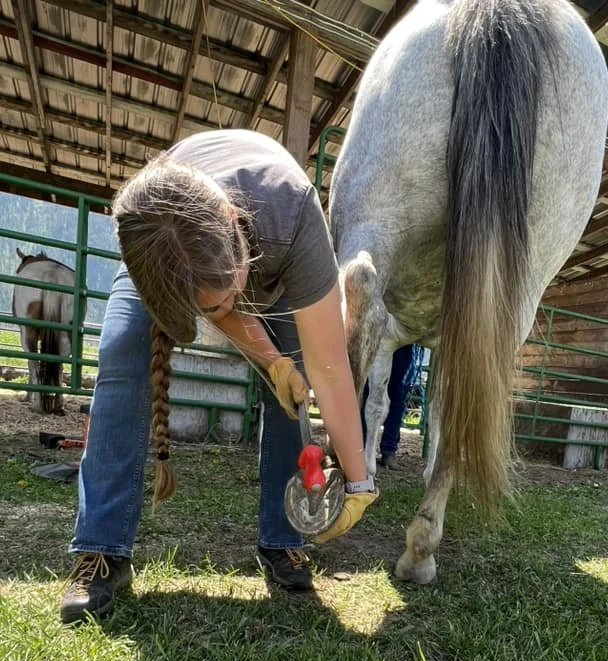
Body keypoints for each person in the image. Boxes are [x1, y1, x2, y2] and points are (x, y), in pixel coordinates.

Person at [60, 129, 378, 623]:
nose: (225, 310)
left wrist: (359, 482)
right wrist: (263, 354)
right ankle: (101, 551)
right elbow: (215, 303)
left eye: (228, 293)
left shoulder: (292, 212)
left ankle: (284, 539)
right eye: (209, 307)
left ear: (232, 225)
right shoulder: (144, 223)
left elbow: (331, 370)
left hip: (270, 252)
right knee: (122, 352)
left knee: (292, 394)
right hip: (168, 253)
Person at [362, 344, 419, 470]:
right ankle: (364, 448)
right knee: (371, 393)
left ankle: (388, 451)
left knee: (398, 395)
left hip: (403, 341)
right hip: (380, 340)